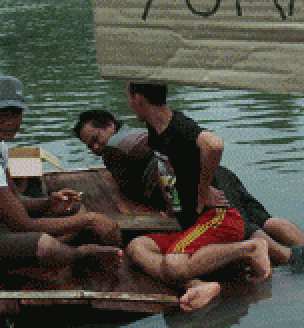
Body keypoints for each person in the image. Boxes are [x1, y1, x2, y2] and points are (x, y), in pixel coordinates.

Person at [0, 75, 123, 281]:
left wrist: (50, 201)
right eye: (1, 114)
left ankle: (62, 248)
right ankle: (80, 254)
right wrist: (89, 220)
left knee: (73, 207)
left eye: (16, 113)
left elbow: (17, 199)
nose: (10, 122)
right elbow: (23, 224)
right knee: (46, 245)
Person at [74, 109, 304, 269]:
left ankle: (290, 258)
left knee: (244, 227)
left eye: (97, 138)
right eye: (89, 145)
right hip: (219, 174)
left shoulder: (120, 144)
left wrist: (173, 206)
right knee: (264, 221)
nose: (95, 147)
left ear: (109, 125)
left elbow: (162, 164)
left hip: (205, 182)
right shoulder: (125, 140)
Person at [116, 82, 273, 311]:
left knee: (172, 264)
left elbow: (214, 144)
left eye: (128, 98)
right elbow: (166, 171)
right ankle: (197, 284)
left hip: (218, 218)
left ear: (138, 98)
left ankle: (251, 248)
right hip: (192, 225)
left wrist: (203, 191)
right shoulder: (155, 130)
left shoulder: (178, 126)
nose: (128, 105)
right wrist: (172, 205)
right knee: (137, 247)